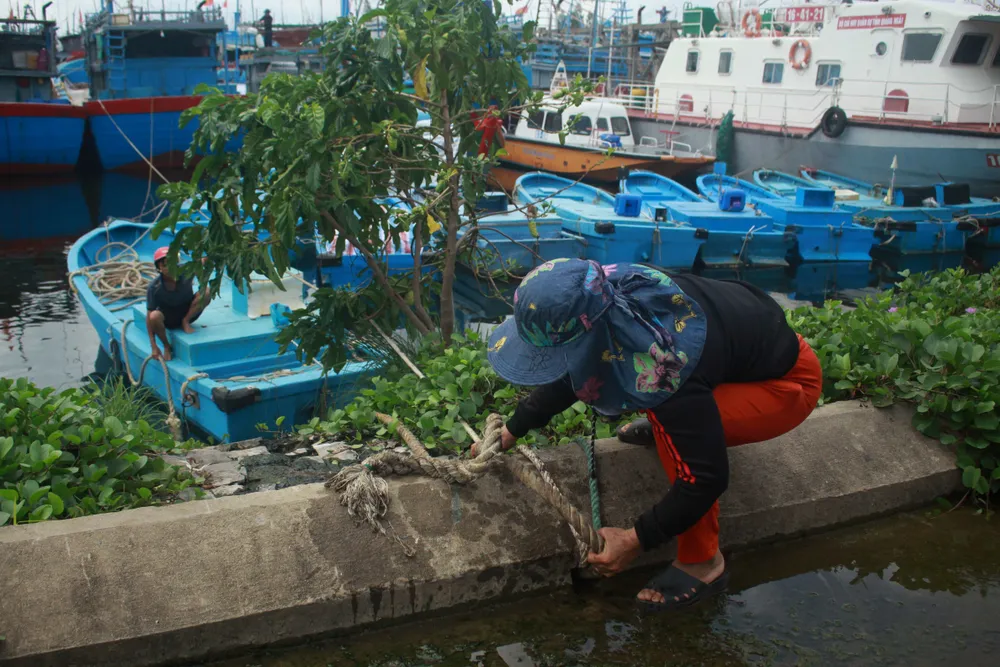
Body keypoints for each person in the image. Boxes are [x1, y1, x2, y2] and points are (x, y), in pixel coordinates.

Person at [483, 258, 821, 613]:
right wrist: (511, 430)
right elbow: (575, 369)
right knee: (669, 412)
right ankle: (676, 428)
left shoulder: (665, 368)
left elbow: (706, 479)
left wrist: (634, 539)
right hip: (732, 364)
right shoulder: (603, 293)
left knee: (675, 430)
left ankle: (704, 563)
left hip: (786, 387)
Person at [146, 247, 207, 361]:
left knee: (207, 292)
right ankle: (166, 346)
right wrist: (153, 345)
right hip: (168, 319)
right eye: (164, 265)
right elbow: (149, 316)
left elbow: (204, 260)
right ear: (159, 268)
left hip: (187, 311)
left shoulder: (187, 270)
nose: (169, 267)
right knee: (154, 316)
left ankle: (186, 321)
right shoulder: (154, 287)